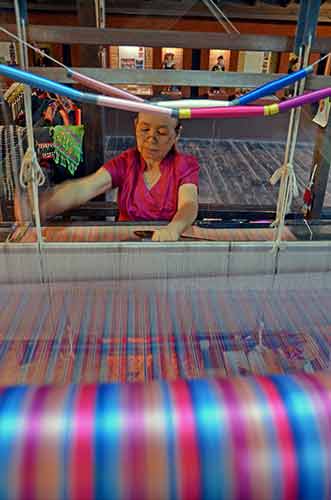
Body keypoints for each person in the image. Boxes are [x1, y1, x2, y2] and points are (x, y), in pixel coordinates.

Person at [39, 112, 199, 242]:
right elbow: (87, 186)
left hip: (165, 243)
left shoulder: (184, 165)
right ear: (136, 126)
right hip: (127, 245)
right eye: (144, 129)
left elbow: (189, 204)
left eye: (162, 132)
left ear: (177, 134)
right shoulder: (127, 162)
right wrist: (44, 205)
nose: (151, 139)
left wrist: (174, 229)